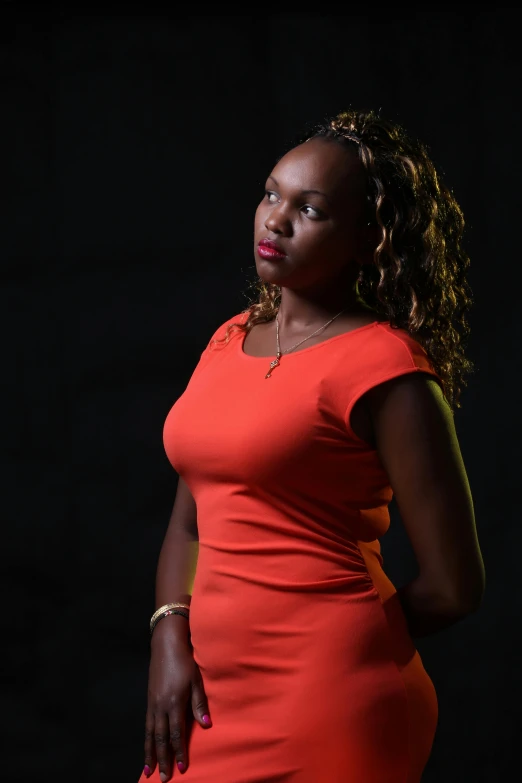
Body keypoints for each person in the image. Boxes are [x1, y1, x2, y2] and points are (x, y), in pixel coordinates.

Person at [137, 108, 485, 783]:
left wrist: (337, 637)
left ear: (367, 239)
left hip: (331, 704)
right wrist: (167, 633)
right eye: (271, 194)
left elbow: (453, 587)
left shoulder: (387, 369)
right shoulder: (228, 338)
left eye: (311, 209)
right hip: (210, 695)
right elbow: (190, 518)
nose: (276, 219)